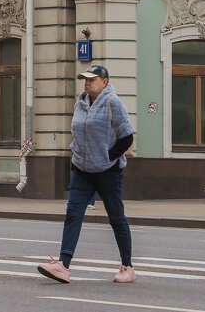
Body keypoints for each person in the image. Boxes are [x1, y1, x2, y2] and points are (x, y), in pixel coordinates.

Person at [38, 65, 137, 285]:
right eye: (85, 79)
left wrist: (107, 158)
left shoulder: (113, 103)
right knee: (73, 213)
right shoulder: (80, 103)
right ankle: (63, 266)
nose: (86, 82)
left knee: (116, 218)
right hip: (82, 171)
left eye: (92, 79)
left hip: (108, 172)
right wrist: (76, 159)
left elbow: (127, 137)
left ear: (104, 81)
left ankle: (127, 267)